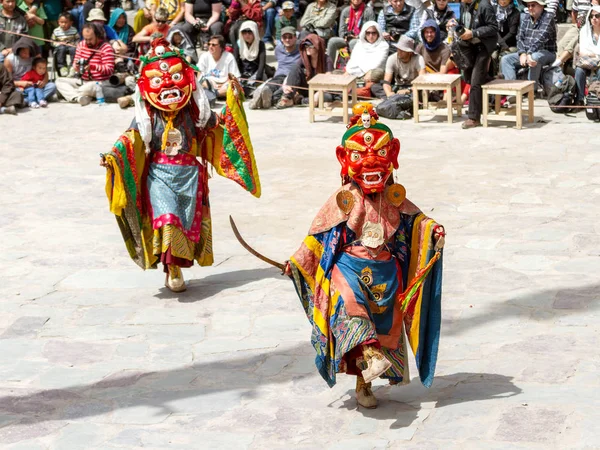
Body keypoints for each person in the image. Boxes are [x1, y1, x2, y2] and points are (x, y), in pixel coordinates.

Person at [284, 102, 444, 409]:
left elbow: (416, 222)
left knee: (384, 322)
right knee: (349, 305)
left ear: (392, 155)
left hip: (385, 271)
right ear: (345, 159)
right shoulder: (343, 199)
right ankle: (368, 356)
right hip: (349, 267)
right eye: (359, 156)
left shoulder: (395, 199)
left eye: (380, 154)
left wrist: (433, 230)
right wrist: (297, 261)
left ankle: (364, 382)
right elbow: (319, 236)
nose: (371, 162)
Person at [100, 38, 261, 293]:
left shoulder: (194, 110)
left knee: (185, 225)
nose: (167, 86)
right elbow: (129, 139)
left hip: (189, 175)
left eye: (175, 77)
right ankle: (172, 269)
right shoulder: (147, 114)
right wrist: (113, 156)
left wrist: (233, 99)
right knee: (168, 220)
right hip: (159, 174)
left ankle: (175, 266)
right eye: (158, 81)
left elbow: (221, 128)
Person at [451, 0, 498, 129]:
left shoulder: (484, 5)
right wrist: (456, 26)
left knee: (475, 81)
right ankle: (492, 79)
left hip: (484, 46)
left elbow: (494, 28)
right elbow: (463, 24)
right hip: (469, 46)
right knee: (468, 77)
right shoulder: (463, 5)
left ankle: (474, 117)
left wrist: (473, 33)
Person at [500, 0, 557, 90]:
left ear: (541, 6)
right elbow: (519, 37)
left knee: (534, 57)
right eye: (528, 5)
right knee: (505, 60)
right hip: (527, 52)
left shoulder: (548, 17)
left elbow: (540, 39)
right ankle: (513, 90)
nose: (530, 8)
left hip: (546, 53)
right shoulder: (526, 17)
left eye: (533, 5)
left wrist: (528, 53)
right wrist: (522, 53)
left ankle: (531, 90)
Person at [55, 23, 115, 105]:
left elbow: (109, 70)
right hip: (83, 81)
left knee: (86, 88)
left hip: (98, 82)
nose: (87, 42)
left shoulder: (106, 47)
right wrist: (77, 66)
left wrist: (93, 67)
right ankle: (78, 98)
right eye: (85, 39)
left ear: (97, 36)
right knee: (59, 81)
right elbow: (75, 63)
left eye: (90, 39)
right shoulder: (81, 44)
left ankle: (72, 94)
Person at [248, 25, 300, 108]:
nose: (287, 40)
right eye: (284, 37)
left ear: (295, 38)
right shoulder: (278, 49)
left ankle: (264, 100)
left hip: (293, 77)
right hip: (280, 75)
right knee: (269, 86)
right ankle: (262, 96)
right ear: (281, 39)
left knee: (281, 92)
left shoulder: (301, 49)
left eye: (290, 37)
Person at [275, 33, 333, 108]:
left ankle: (300, 100)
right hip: (306, 87)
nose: (307, 48)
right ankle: (288, 98)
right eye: (306, 46)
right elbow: (293, 72)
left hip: (320, 89)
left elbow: (329, 81)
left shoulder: (326, 59)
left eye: (310, 46)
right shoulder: (304, 59)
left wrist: (319, 93)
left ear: (317, 47)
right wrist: (285, 84)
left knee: (327, 97)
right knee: (295, 68)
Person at [575, 5, 600, 103]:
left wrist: (592, 54)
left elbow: (587, 52)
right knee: (579, 70)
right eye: (591, 16)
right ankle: (579, 99)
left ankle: (596, 97)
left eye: (597, 16)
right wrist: (596, 55)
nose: (594, 18)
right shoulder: (584, 31)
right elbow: (582, 52)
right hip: (586, 62)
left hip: (598, 64)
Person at [233, 20, 267, 93]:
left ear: (254, 32)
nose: (247, 35)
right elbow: (235, 61)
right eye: (244, 32)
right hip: (243, 73)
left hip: (256, 72)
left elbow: (262, 63)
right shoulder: (239, 44)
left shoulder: (260, 44)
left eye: (250, 32)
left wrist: (258, 78)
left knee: (258, 86)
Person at [489, 0, 519, 76]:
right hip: (495, 41)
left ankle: (502, 79)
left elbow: (512, 32)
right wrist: (498, 43)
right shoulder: (493, 10)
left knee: (503, 57)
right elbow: (493, 28)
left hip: (510, 44)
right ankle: (492, 78)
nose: (503, 1)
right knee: (492, 56)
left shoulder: (515, 12)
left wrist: (501, 43)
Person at [51, 12, 80, 77]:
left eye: (66, 22)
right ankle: (62, 67)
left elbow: (77, 39)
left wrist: (74, 44)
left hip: (71, 46)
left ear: (71, 23)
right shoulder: (56, 31)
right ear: (58, 22)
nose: (63, 24)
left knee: (74, 49)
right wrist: (58, 44)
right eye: (61, 22)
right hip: (61, 46)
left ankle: (73, 66)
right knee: (61, 49)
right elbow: (52, 41)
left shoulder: (74, 30)